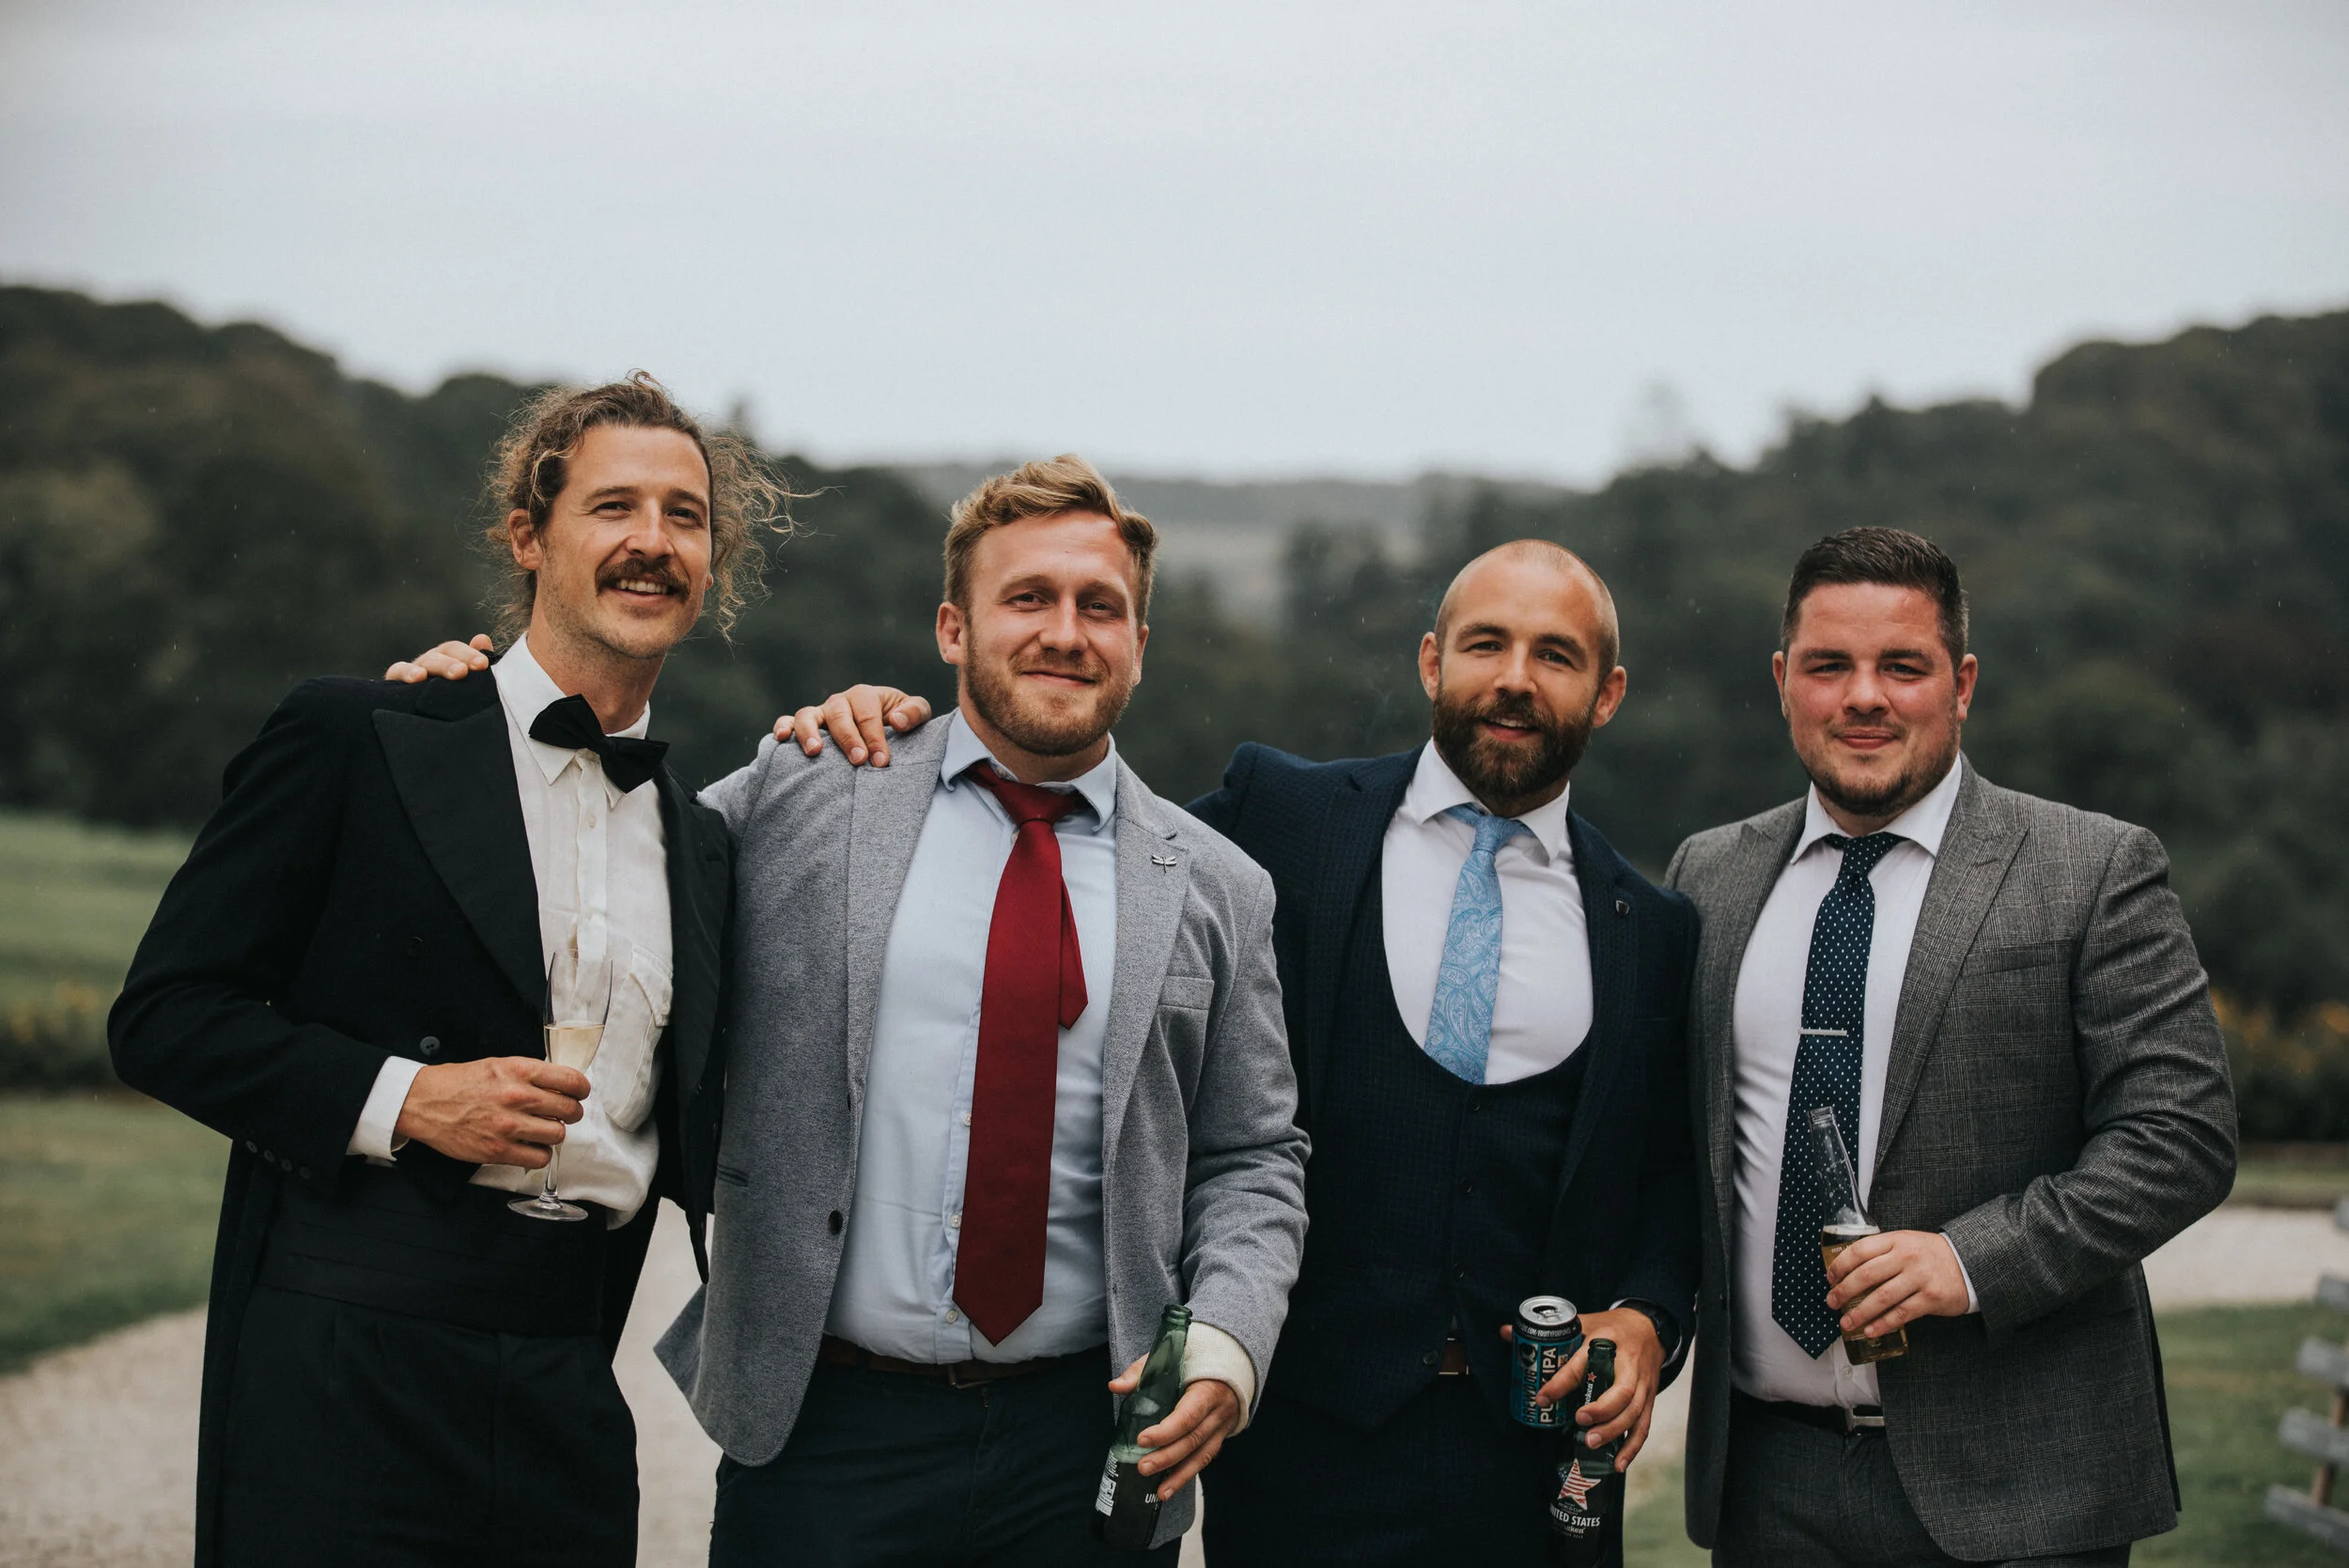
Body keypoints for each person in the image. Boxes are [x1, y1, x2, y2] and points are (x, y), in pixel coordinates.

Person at [400, 455, 1308, 1564]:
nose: (1064, 632)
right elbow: (592, 841)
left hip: (1090, 1444)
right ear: (950, 629)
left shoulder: (1218, 884)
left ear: (1138, 643)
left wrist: (1226, 1340)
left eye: (1099, 606)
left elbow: (1255, 1151)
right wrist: (484, 712)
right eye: (1025, 598)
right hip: (828, 1435)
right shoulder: (812, 786)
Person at [793, 539, 1699, 1565]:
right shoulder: (1279, 821)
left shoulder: (1651, 927)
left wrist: (1649, 1316)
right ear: (1430, 661)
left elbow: (1668, 1172)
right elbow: (1083, 841)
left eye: (1557, 655)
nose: (1515, 679)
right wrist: (906, 741)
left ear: (1609, 691)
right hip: (1300, 1455)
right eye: (1486, 644)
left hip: (1542, 1470)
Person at [110, 374, 763, 1566]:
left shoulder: (703, 842)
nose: (652, 542)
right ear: (530, 536)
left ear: (712, 561)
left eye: (685, 515)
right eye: (614, 506)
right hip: (344, 1373)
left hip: (573, 1389)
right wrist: (409, 1100)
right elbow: (164, 1018)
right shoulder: (360, 738)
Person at [1665, 526, 2237, 1566]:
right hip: (1764, 1483)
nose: (1864, 696)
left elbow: (2179, 1139)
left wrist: (1966, 1260)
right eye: (1830, 665)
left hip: (2021, 1486)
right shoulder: (1707, 875)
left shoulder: (2093, 867)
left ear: (1961, 682)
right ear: (1784, 679)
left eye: (1902, 666)